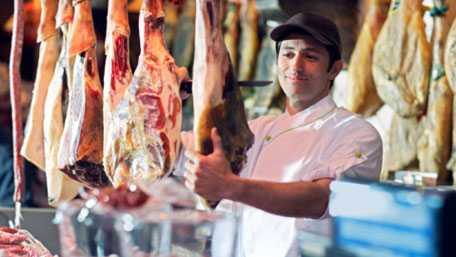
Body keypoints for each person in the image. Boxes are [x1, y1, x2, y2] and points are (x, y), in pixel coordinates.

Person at [180, 12, 383, 257]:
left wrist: (229, 186)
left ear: (334, 69)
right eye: (288, 54)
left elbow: (324, 198)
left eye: (310, 56)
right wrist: (170, 97)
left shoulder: (355, 133)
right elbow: (172, 150)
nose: (295, 65)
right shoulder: (256, 128)